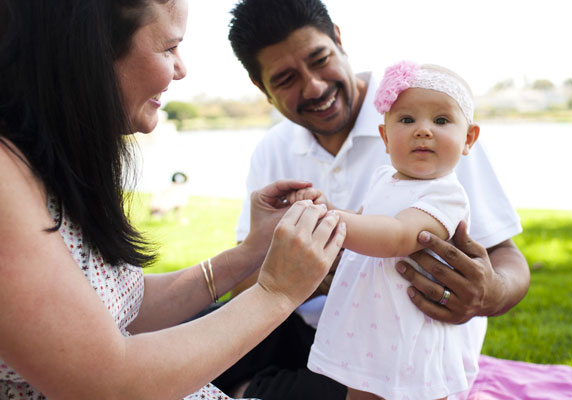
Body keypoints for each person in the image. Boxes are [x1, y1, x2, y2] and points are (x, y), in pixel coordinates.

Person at [0, 1, 346, 399]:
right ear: (89, 52)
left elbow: (121, 306)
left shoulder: (40, 163)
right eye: (169, 48)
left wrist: (251, 251)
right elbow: (109, 385)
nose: (181, 69)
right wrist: (277, 293)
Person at [217, 0, 530, 398]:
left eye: (319, 59)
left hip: (399, 347)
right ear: (261, 89)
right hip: (319, 335)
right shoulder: (273, 150)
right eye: (285, 79)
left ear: (339, 40)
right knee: (187, 345)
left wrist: (490, 292)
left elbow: (505, 253)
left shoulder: (434, 127)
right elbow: (243, 284)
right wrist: (301, 275)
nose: (314, 86)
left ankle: (252, 390)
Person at [290, 60, 481, 400]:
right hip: (369, 322)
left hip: (412, 322)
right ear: (385, 136)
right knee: (361, 388)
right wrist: (329, 207)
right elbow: (365, 220)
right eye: (407, 120)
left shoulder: (446, 195)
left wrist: (331, 217)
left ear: (468, 138)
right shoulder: (383, 179)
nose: (423, 130)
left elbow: (397, 236)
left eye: (441, 120)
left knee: (418, 390)